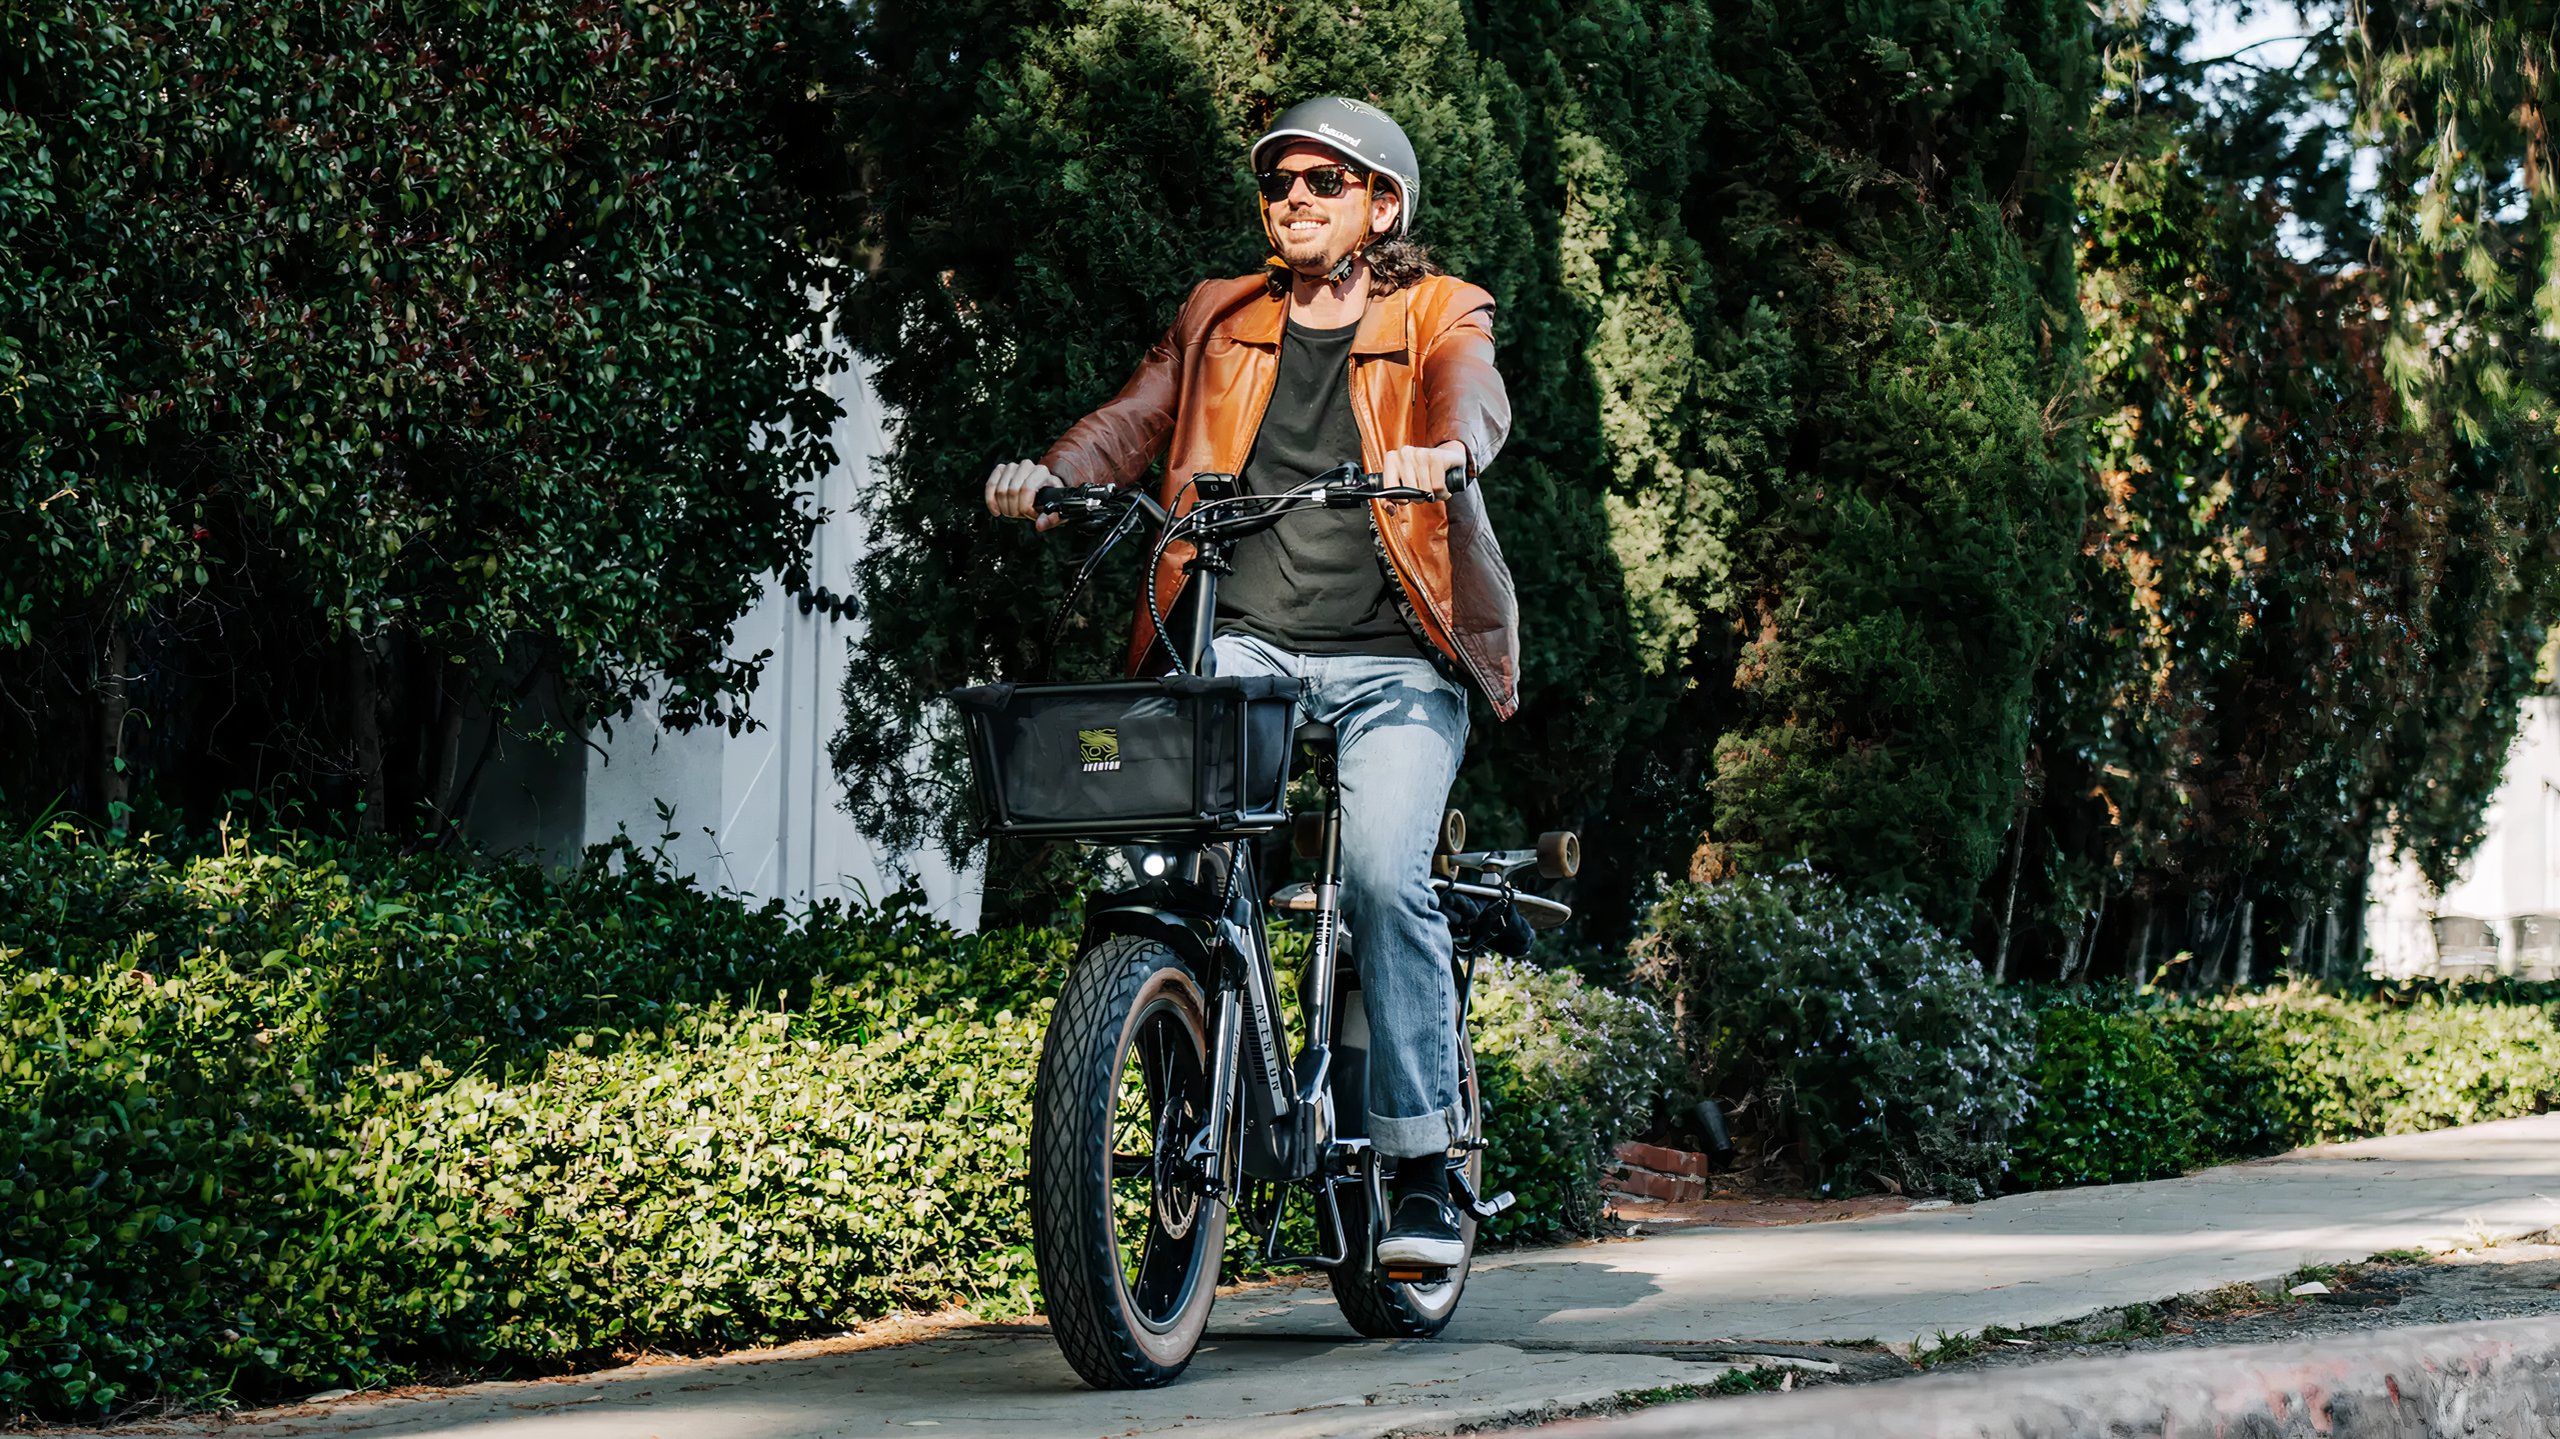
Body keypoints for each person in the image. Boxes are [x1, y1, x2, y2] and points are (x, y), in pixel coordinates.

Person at [985, 96, 1518, 1267]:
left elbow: (1473, 389)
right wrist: (1056, 474)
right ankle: (1184, 1029)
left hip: (1395, 659)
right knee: (1176, 858)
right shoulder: (1220, 313)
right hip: (1247, 647)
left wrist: (1449, 451)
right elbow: (1137, 418)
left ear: (1382, 206)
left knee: (1382, 877)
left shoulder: (1438, 310)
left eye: (1323, 181)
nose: (1292, 199)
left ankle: (1424, 1167)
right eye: (1278, 182)